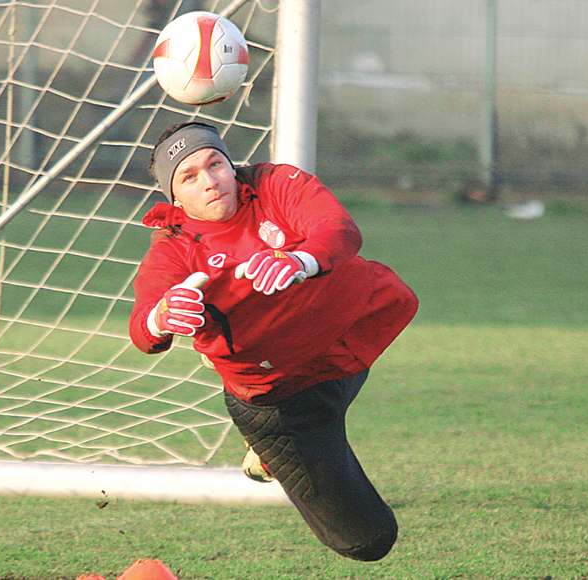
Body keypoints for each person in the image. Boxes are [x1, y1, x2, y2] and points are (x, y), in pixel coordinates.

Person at [128, 122, 418, 562]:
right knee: (368, 538)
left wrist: (300, 259)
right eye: (189, 177)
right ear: (174, 198)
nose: (209, 181)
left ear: (231, 165)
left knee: (387, 293)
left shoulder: (274, 184)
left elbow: (338, 228)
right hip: (282, 395)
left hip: (349, 333)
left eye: (215, 164)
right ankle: (266, 448)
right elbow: (143, 325)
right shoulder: (174, 248)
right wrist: (163, 315)